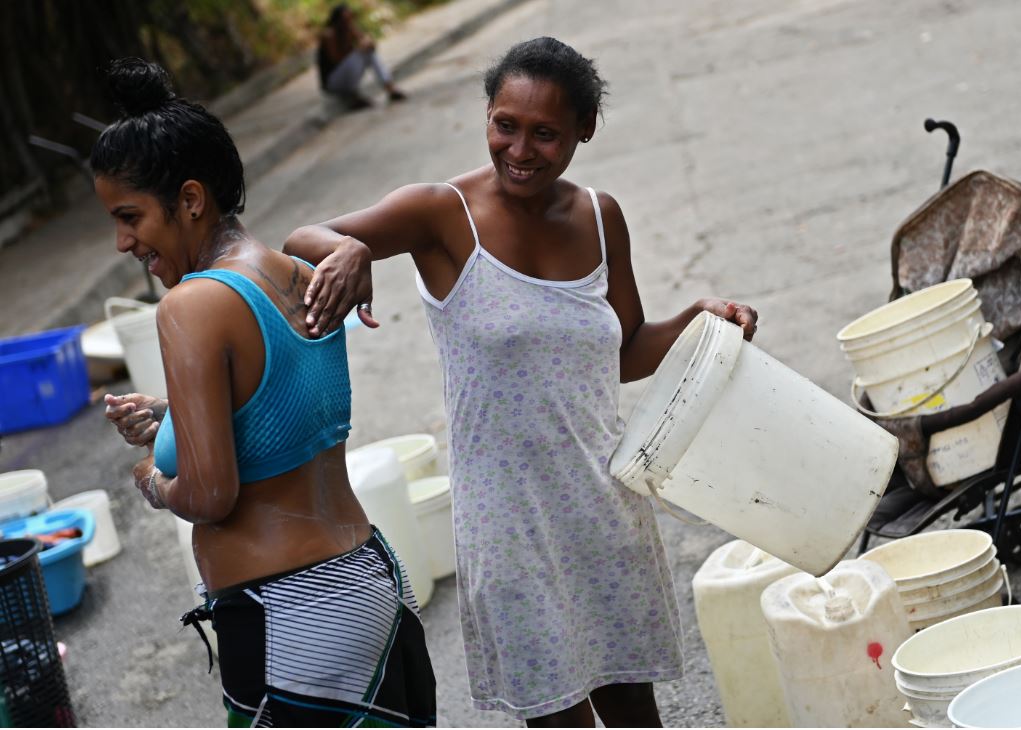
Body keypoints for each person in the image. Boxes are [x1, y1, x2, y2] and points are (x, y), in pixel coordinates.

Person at [285, 36, 758, 727]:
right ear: (487, 115)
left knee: (635, 711)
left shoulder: (601, 217)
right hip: (508, 528)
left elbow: (621, 352)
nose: (520, 149)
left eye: (546, 134)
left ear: (583, 133)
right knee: (557, 717)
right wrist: (350, 248)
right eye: (505, 125)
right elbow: (304, 236)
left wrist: (697, 319)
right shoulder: (440, 214)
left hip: (605, 506)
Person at [92, 58, 435, 727]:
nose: (122, 241)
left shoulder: (192, 306)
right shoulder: (304, 271)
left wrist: (155, 481)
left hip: (292, 624)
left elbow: (212, 495)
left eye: (130, 217)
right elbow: (276, 409)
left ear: (191, 200)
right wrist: (170, 418)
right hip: (368, 587)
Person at [318, 3, 407, 109]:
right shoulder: (329, 34)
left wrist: (367, 42)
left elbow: (368, 43)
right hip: (333, 81)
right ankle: (354, 97)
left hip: (346, 75)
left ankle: (390, 88)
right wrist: (358, 49)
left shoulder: (349, 28)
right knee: (363, 53)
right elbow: (336, 59)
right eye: (346, 19)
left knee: (369, 53)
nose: (348, 21)